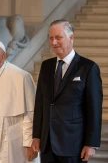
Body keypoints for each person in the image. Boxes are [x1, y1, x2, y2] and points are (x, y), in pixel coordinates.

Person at [32, 19, 103, 163]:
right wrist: (37, 136)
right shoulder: (46, 66)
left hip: (73, 144)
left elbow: (94, 109)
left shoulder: (88, 67)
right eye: (51, 38)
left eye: (58, 37)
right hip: (48, 144)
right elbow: (40, 104)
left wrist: (91, 143)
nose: (54, 42)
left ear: (71, 38)